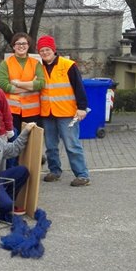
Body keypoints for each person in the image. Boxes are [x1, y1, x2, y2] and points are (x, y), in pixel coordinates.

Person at [37, 35, 90, 187]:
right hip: (47, 113)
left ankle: (82, 174)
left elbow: (79, 87)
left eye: (47, 49)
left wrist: (81, 108)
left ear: (54, 50)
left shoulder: (68, 65)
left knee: (72, 145)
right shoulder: (38, 67)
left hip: (67, 113)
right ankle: (55, 171)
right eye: (42, 50)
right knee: (51, 145)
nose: (45, 52)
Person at [0, 32, 45, 133]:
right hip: (11, 110)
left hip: (32, 111)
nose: (21, 46)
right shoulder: (5, 63)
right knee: (13, 140)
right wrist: (31, 84)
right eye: (18, 44)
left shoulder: (36, 63)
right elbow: (3, 84)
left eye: (24, 44)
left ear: (28, 46)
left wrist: (18, 84)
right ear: (13, 46)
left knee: (32, 142)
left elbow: (41, 83)